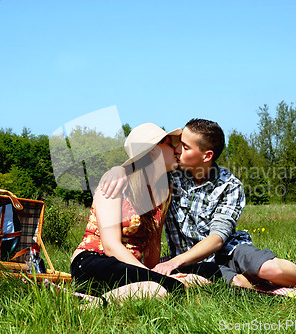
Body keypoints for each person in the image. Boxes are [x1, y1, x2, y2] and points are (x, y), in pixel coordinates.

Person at [100, 119, 296, 290]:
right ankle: (263, 287)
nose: (178, 149)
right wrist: (118, 169)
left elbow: (217, 239)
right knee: (237, 287)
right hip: (190, 262)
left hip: (229, 251)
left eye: (186, 147)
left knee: (272, 270)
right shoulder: (170, 175)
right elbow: (144, 164)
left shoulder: (229, 185)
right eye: (179, 143)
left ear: (207, 156)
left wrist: (175, 261)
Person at [70, 123, 220, 306]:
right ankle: (93, 306)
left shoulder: (164, 191)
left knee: (210, 270)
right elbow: (111, 246)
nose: (177, 149)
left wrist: (160, 270)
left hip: (132, 267)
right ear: (153, 151)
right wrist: (155, 276)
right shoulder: (115, 183)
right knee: (167, 286)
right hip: (95, 261)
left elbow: (153, 247)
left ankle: (143, 288)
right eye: (169, 144)